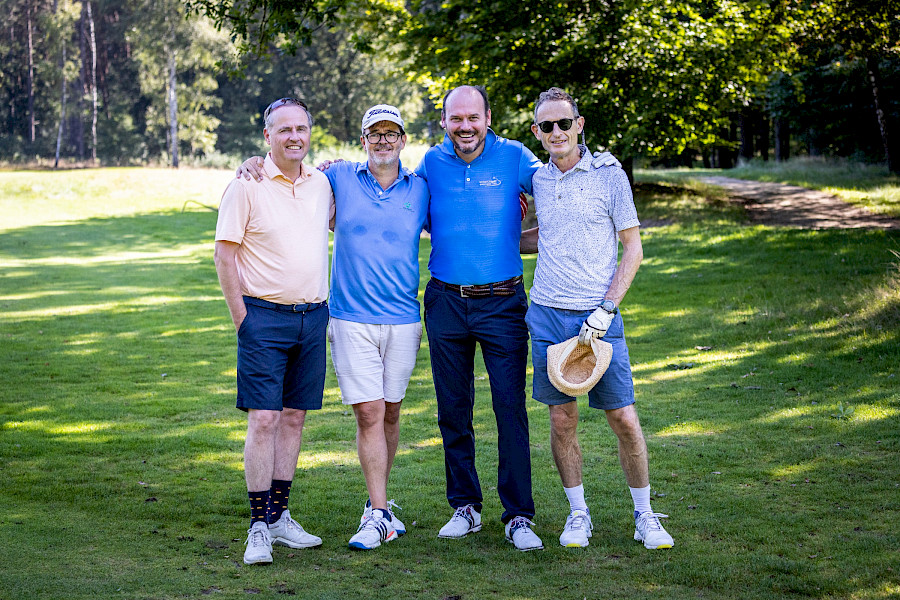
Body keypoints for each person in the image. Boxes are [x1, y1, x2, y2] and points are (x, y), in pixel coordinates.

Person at [235, 105, 430, 551]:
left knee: (391, 413)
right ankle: (379, 512)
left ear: (403, 138)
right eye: (374, 134)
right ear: (363, 140)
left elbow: (454, 221)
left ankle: (375, 504)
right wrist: (249, 164)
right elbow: (285, 169)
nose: (383, 141)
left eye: (391, 133)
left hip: (403, 318)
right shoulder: (337, 177)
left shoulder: (421, 187)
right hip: (348, 317)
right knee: (368, 413)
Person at [520, 87, 674, 550]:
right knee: (562, 421)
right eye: (546, 126)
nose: (556, 132)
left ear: (579, 124)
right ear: (536, 132)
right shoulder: (539, 180)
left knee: (623, 417)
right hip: (547, 315)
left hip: (599, 318)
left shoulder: (610, 175)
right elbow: (545, 237)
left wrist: (606, 310)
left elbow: (633, 248)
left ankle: (645, 515)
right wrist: (491, 240)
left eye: (563, 123)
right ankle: (577, 513)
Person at [416, 85, 544, 551]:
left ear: (488, 117)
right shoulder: (430, 162)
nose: (465, 127)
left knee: (510, 409)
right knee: (453, 409)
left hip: (503, 302)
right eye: (456, 119)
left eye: (473, 117)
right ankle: (465, 507)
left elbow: (558, 184)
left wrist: (526, 232)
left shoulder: (515, 157)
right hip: (445, 301)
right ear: (444, 120)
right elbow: (399, 197)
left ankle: (519, 516)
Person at [215, 97, 334, 565]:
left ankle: (281, 516)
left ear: (309, 132)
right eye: (283, 130)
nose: (294, 137)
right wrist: (242, 318)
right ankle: (258, 525)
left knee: (293, 418)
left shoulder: (322, 184)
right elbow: (225, 256)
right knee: (263, 419)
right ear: (267, 136)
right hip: (261, 318)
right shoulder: (245, 185)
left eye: (301, 129)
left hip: (312, 317)